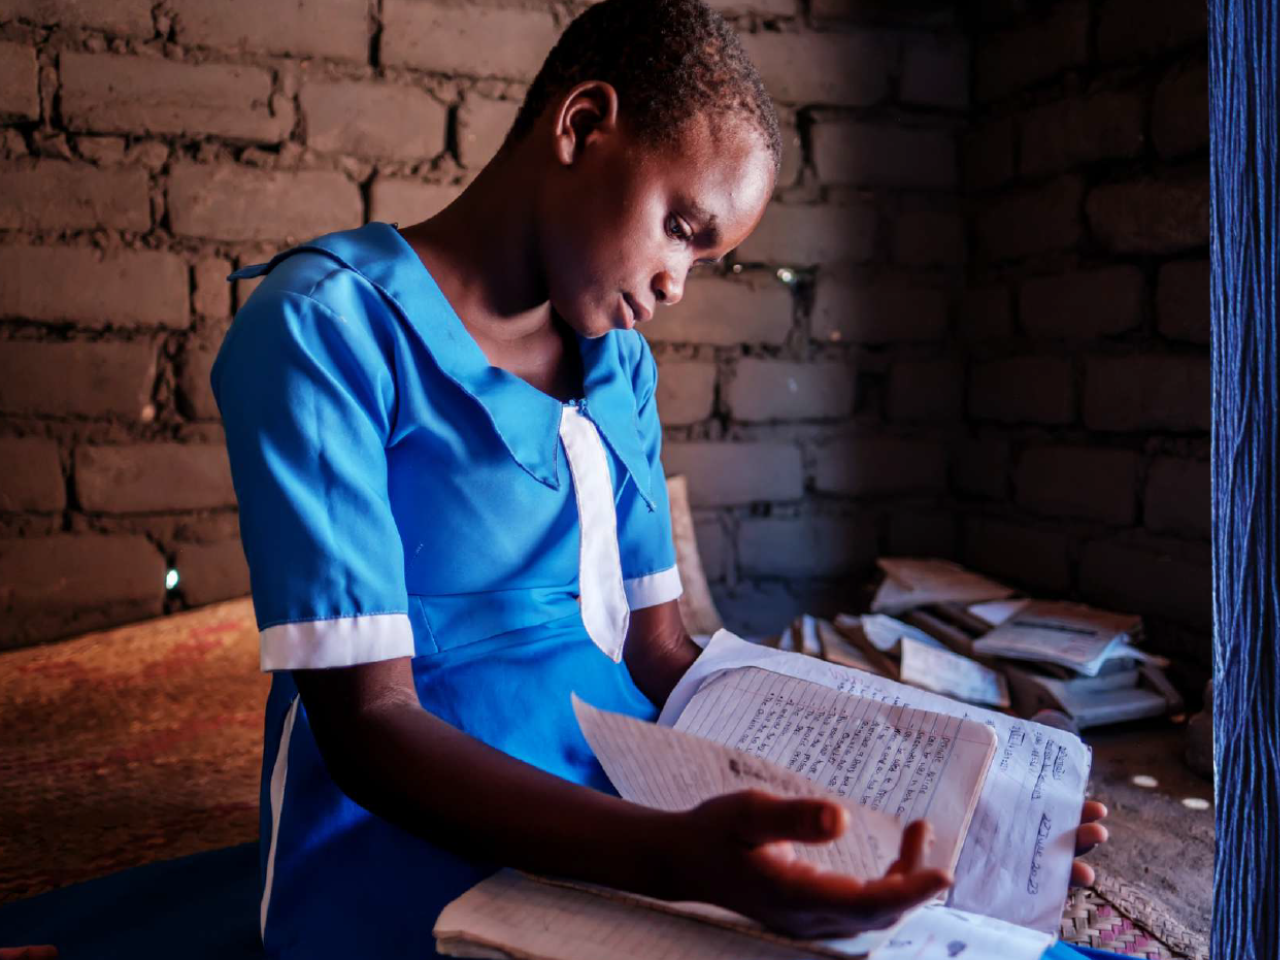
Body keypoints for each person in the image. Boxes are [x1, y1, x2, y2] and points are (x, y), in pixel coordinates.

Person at [212, 1, 1107, 956]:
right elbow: (369, 729)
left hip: (627, 812)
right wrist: (678, 860)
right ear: (582, 125)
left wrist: (935, 780)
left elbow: (665, 655)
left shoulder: (617, 366)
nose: (680, 282)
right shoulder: (326, 326)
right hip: (410, 850)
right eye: (682, 227)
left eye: (707, 258)